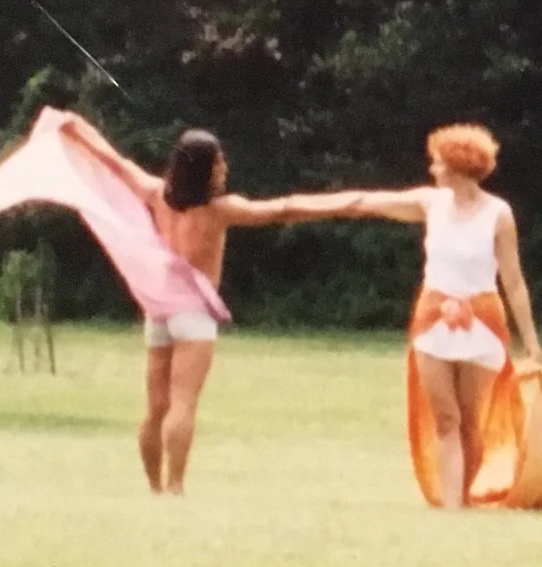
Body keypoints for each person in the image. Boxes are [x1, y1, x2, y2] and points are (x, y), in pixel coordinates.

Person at [56, 115, 351, 494]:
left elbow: (112, 159)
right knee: (183, 402)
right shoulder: (221, 209)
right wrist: (342, 204)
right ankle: (175, 485)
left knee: (155, 406)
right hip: (193, 312)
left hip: (159, 308)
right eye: (219, 162)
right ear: (204, 169)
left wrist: (75, 127)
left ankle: (154, 489)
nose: (225, 167)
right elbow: (282, 209)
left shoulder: (155, 193)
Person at [324, 123, 542, 508]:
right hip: (433, 320)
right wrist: (320, 204)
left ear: (459, 168)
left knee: (471, 420)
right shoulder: (430, 203)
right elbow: (369, 201)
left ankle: (463, 498)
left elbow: (513, 279)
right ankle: (450, 507)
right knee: (446, 418)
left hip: (481, 320)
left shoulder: (498, 213)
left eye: (439, 163)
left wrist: (532, 342)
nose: (433, 169)